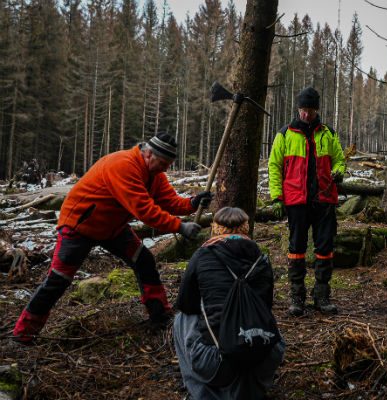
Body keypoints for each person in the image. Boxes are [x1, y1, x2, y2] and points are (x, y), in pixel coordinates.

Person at [12, 133, 212, 344]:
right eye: (163, 163)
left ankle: (160, 316)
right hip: (79, 228)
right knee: (59, 279)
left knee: (143, 260)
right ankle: (23, 333)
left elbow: (169, 200)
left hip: (113, 228)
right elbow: (144, 209)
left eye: (169, 165)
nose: (165, 169)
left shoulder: (155, 173)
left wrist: (192, 202)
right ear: (148, 153)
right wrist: (179, 226)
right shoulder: (123, 165)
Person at [173, 207, 285, 400]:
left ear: (215, 228)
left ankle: (202, 394)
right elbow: (266, 305)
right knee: (259, 313)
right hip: (262, 358)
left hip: (215, 364)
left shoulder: (202, 256)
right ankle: (251, 390)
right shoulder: (261, 259)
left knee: (182, 318)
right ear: (246, 228)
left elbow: (186, 303)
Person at [268, 87, 346, 316]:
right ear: (298, 109)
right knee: (296, 249)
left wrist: (339, 171)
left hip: (324, 199)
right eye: (302, 110)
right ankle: (297, 297)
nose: (306, 115)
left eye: (310, 110)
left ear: (316, 110)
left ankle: (322, 296)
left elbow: (339, 160)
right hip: (295, 201)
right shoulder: (285, 134)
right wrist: (276, 198)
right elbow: (274, 167)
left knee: (324, 248)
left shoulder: (329, 133)